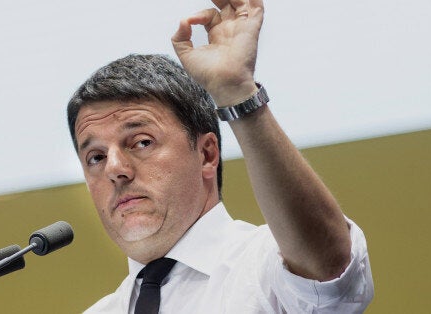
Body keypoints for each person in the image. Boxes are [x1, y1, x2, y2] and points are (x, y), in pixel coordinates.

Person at [67, 0, 374, 313]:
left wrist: (237, 93)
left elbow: (329, 268)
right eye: (96, 157)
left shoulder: (267, 266)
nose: (115, 169)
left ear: (207, 154)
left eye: (142, 142)